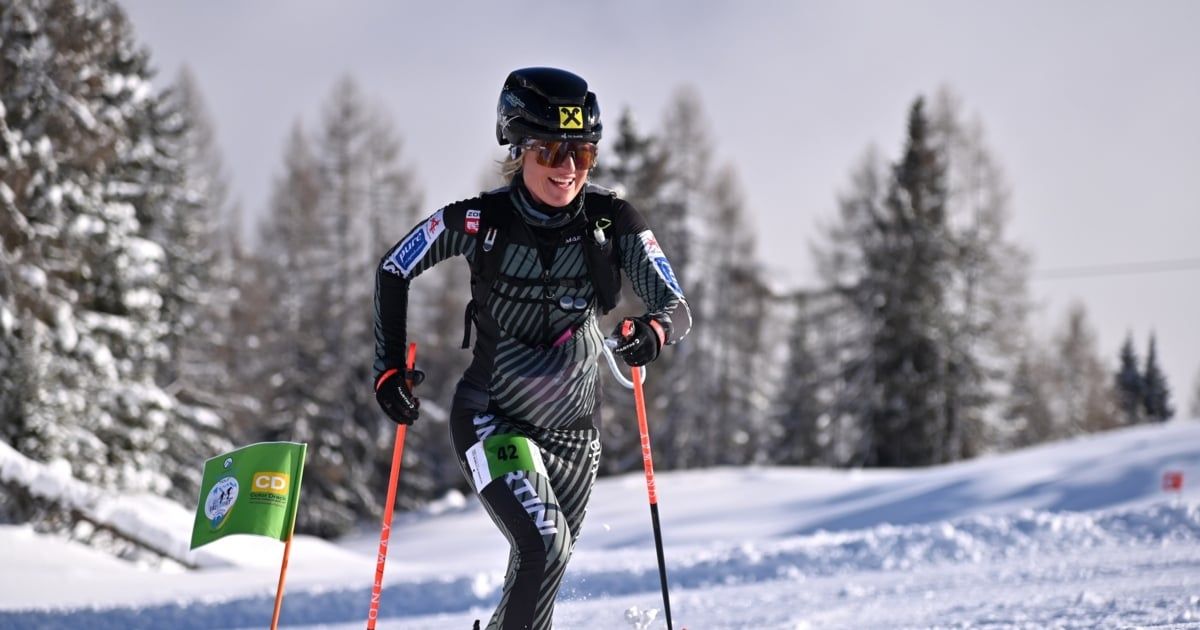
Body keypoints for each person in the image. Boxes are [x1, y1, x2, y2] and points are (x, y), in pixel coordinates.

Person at [372, 67, 691, 630]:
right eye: (551, 152)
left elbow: (676, 306)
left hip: (575, 435)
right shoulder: (480, 219)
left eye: (582, 154)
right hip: (493, 418)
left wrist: (653, 331)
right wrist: (388, 369)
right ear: (518, 150)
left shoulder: (612, 220)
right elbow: (396, 267)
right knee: (546, 545)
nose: (568, 169)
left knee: (541, 575)